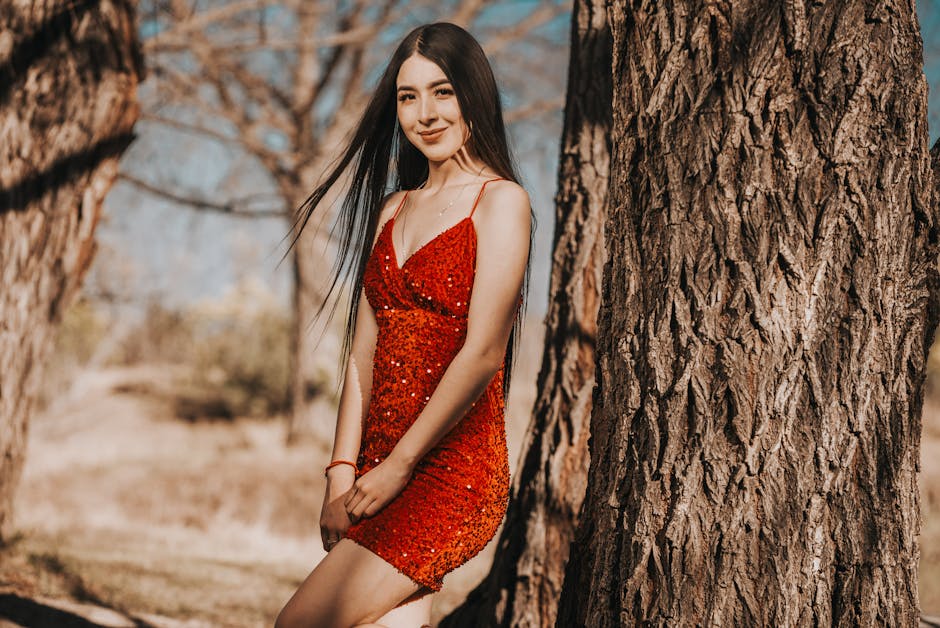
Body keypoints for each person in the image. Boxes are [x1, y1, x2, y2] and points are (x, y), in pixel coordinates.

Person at [275, 21, 533, 628]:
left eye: (443, 92)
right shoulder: (393, 208)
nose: (426, 114)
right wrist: (341, 473)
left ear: (473, 94)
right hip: (375, 468)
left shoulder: (501, 202)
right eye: (408, 96)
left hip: (452, 472)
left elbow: (483, 353)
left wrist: (399, 466)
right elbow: (361, 356)